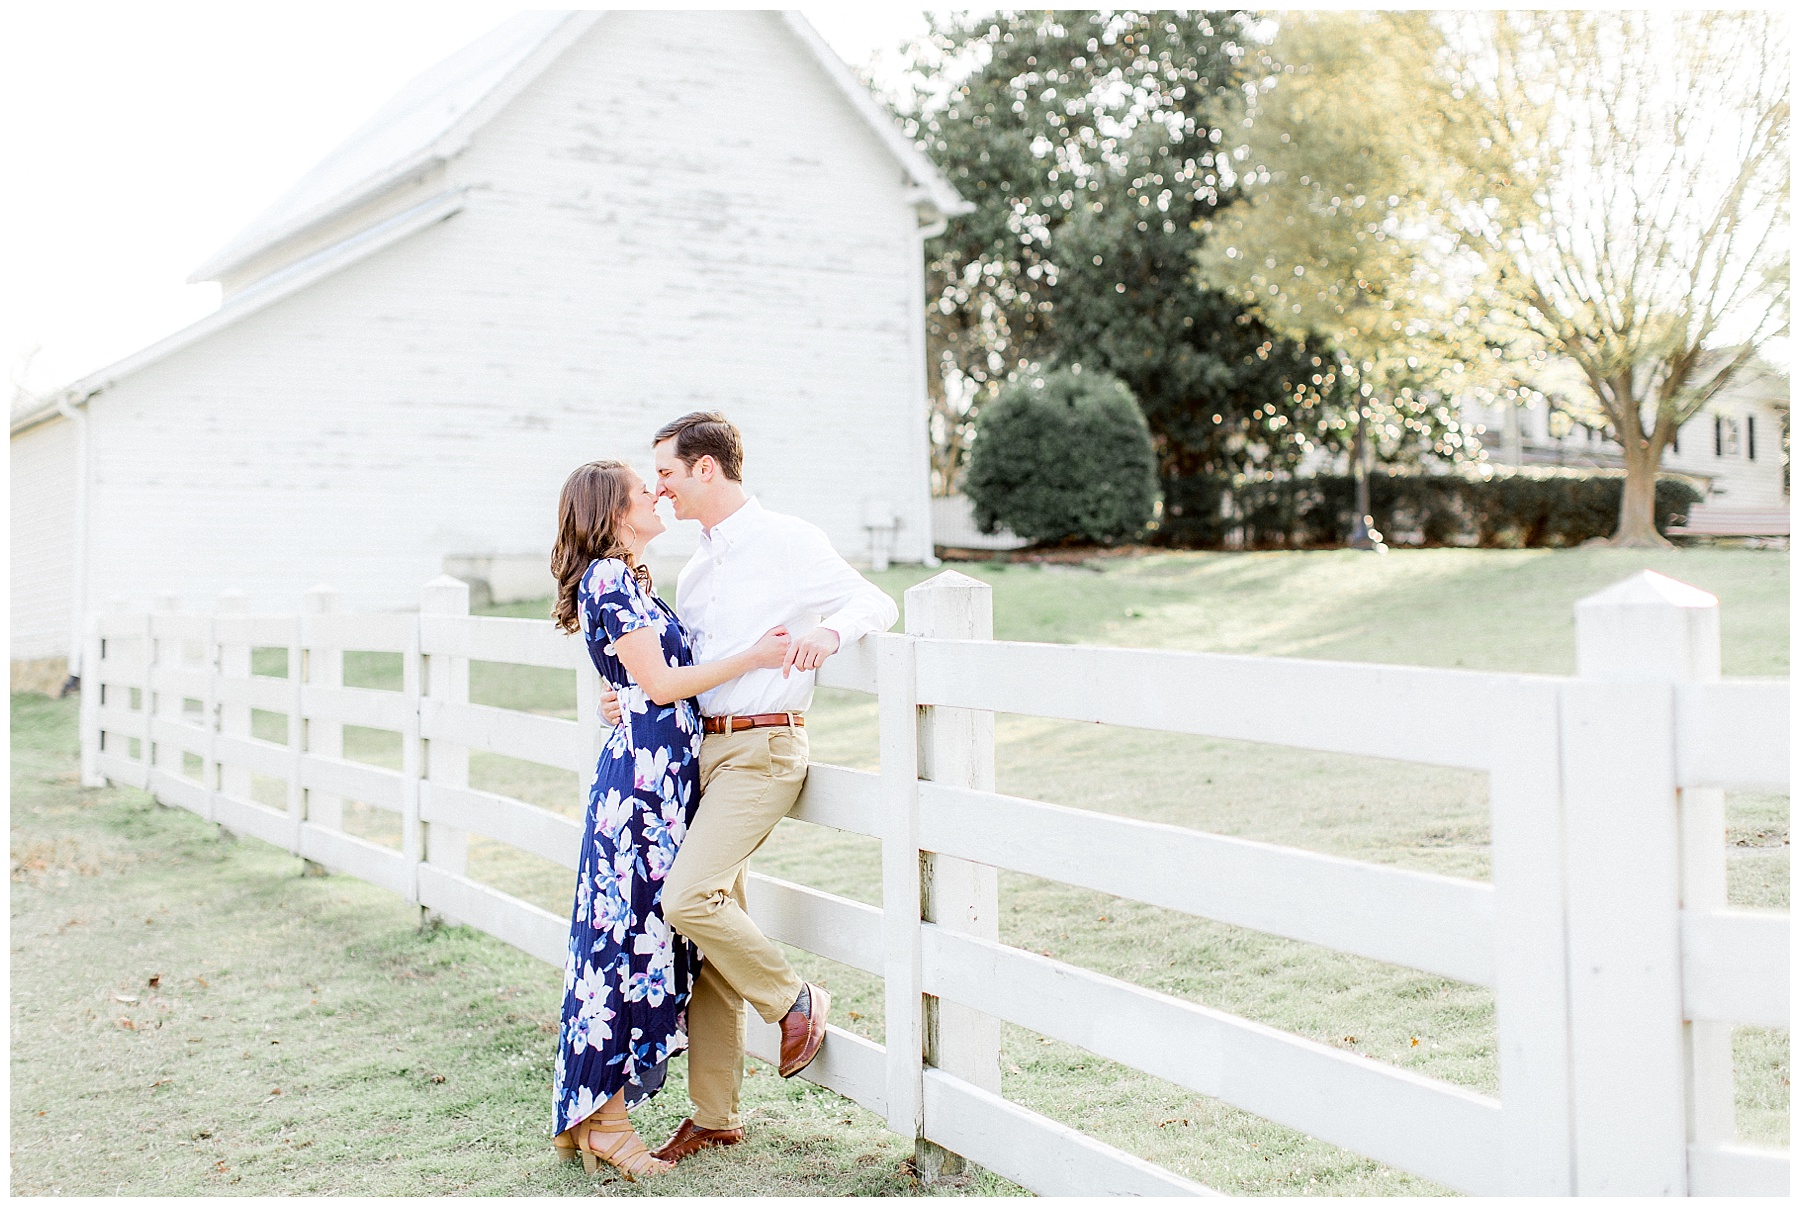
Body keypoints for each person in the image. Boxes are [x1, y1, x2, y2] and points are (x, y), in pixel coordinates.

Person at [600, 412, 899, 1166]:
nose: (658, 488)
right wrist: (630, 699)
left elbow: (873, 601)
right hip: (705, 752)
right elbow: (680, 670)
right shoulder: (695, 568)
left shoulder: (787, 539)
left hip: (765, 745)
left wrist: (830, 636)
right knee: (709, 925)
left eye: (666, 471)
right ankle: (716, 1113)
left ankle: (794, 1001)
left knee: (687, 897)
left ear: (706, 469)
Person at [547, 459, 793, 1180]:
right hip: (640, 797)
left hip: (656, 788)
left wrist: (620, 696)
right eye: (641, 487)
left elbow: (634, 683)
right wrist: (754, 656)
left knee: (636, 943)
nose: (656, 492)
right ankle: (610, 1125)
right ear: (614, 510)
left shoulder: (629, 580)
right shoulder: (608, 578)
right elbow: (657, 683)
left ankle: (600, 1117)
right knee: (622, 950)